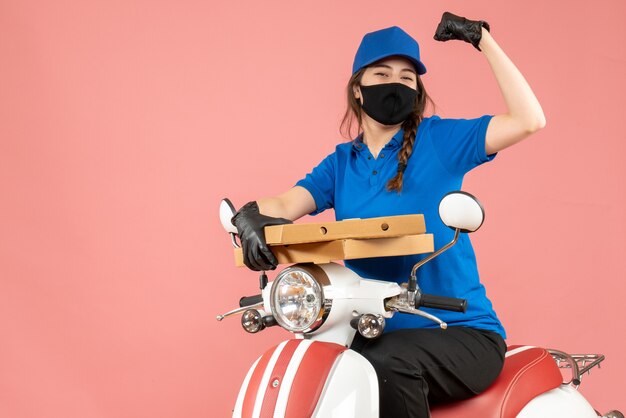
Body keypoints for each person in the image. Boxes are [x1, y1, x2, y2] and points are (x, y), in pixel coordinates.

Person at [231, 11, 546, 418]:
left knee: (385, 364)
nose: (395, 83)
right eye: (381, 74)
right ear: (358, 89)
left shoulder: (441, 140)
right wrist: (248, 215)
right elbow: (287, 204)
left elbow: (529, 120)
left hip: (460, 332)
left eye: (406, 77)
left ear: (416, 91)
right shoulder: (343, 163)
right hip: (373, 331)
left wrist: (482, 39)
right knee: (326, 366)